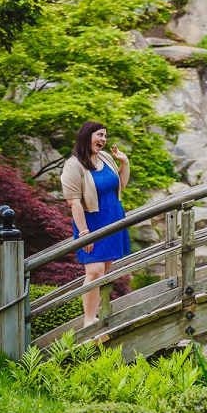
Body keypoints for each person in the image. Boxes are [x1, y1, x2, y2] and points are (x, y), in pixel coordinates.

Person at [61, 121, 131, 327]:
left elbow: (121, 185)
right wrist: (84, 233)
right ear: (86, 136)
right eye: (99, 135)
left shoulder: (105, 158)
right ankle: (88, 320)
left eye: (105, 136)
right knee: (94, 271)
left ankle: (94, 314)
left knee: (102, 272)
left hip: (114, 219)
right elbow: (73, 202)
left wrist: (124, 163)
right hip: (91, 223)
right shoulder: (73, 166)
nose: (103, 139)